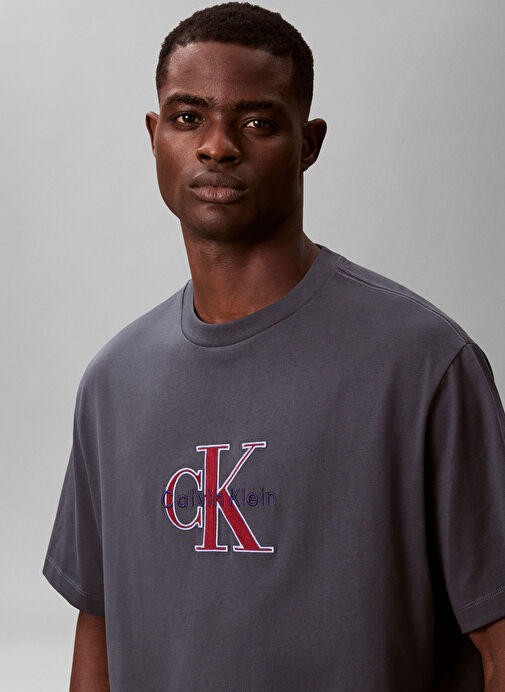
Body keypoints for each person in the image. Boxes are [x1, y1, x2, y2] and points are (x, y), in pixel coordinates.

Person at [42, 3, 505, 690]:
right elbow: (100, 626)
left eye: (256, 122)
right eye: (187, 117)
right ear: (154, 135)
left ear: (308, 143)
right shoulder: (114, 380)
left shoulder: (422, 363)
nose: (217, 146)